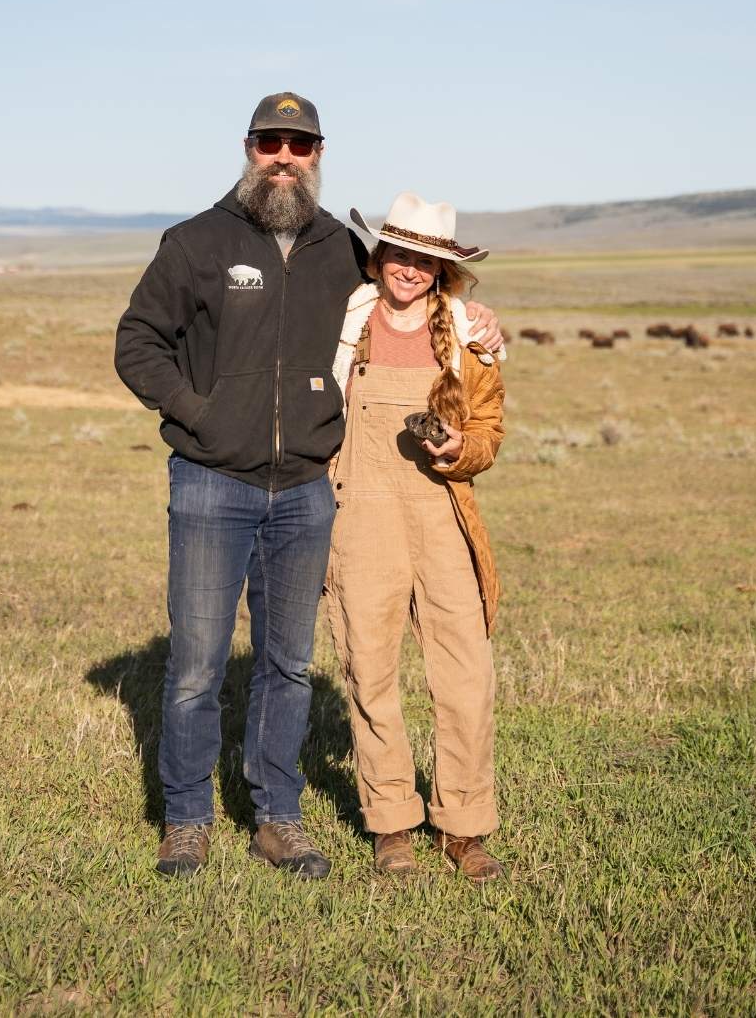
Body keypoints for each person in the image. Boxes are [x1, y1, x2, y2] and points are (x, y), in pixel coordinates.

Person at [115, 94, 503, 879]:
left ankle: (279, 818)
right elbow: (138, 342)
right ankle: (188, 819)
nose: (284, 156)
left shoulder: (339, 253)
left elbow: (427, 312)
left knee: (291, 664)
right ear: (249, 147)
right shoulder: (195, 242)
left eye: (300, 143)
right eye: (271, 142)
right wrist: (201, 414)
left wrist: (477, 320)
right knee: (197, 664)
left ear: (320, 153)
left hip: (304, 494)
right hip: (214, 484)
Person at [324, 191, 507, 882]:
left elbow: (490, 436)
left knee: (467, 676)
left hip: (443, 513)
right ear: (379, 255)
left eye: (424, 260)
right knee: (369, 670)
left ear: (442, 270)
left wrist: (460, 447)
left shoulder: (471, 335)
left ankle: (464, 828)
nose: (409, 268)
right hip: (359, 513)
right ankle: (391, 824)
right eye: (399, 253)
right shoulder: (342, 321)